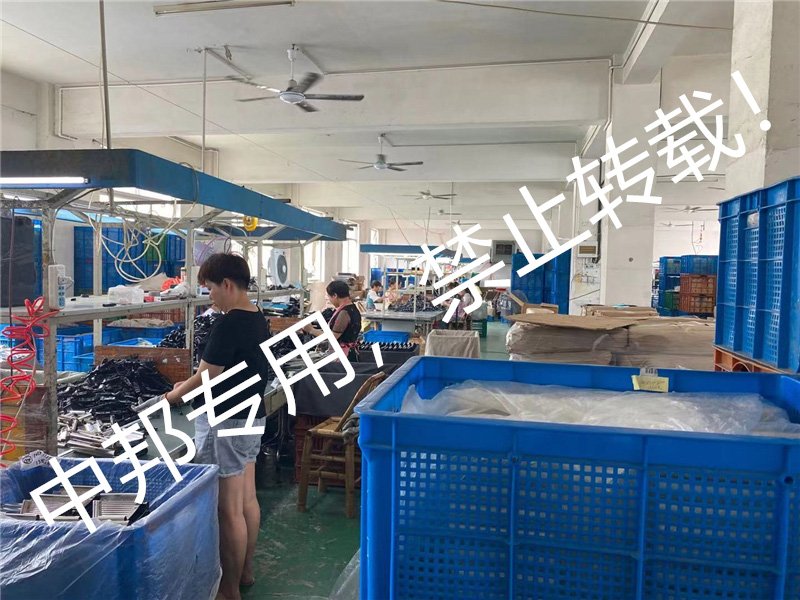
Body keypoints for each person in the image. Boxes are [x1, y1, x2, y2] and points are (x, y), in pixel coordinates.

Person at [164, 253, 269, 600]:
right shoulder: (257, 316)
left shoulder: (229, 323)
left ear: (226, 284)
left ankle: (228, 590)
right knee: (247, 500)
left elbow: (207, 374)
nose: (209, 296)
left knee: (228, 510)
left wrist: (175, 395)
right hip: (251, 415)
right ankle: (245, 573)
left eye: (210, 288)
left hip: (225, 418)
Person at [304, 280, 362, 360]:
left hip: (343, 356)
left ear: (335, 296)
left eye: (329, 297)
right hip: (350, 353)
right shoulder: (353, 308)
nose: (329, 300)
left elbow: (332, 337)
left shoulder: (344, 313)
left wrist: (311, 330)